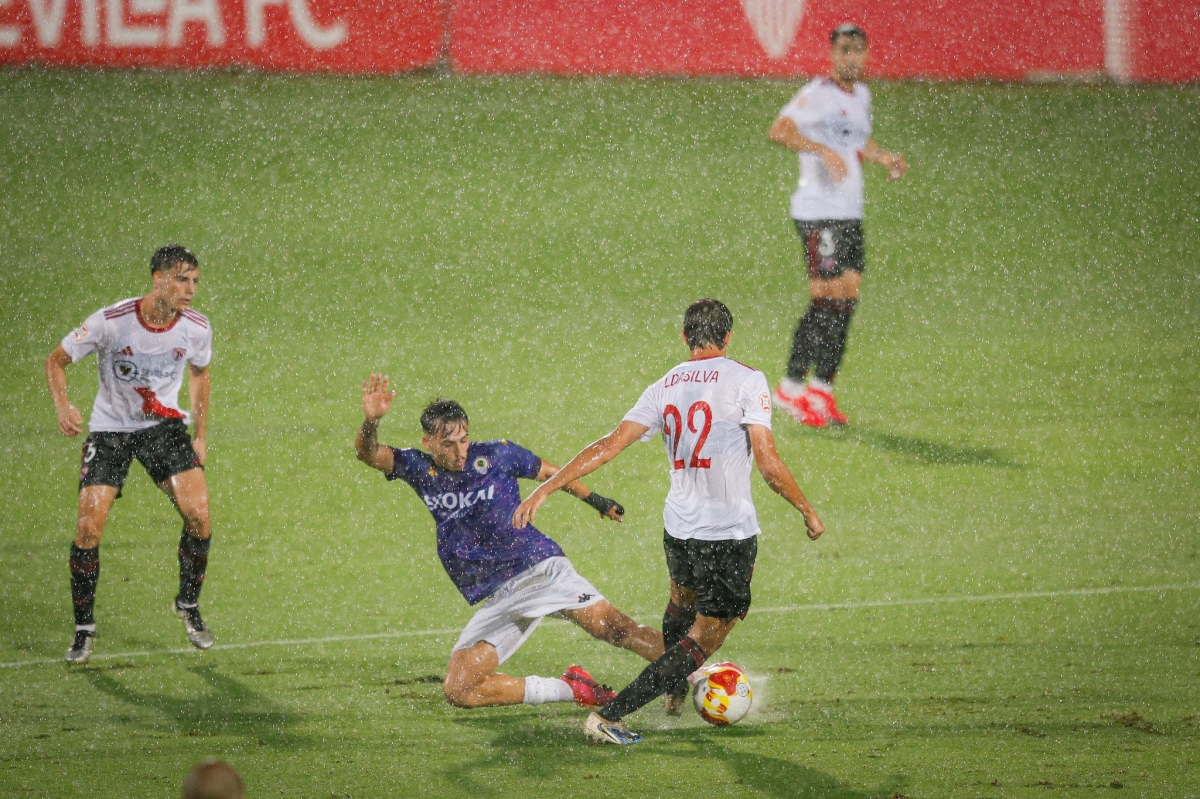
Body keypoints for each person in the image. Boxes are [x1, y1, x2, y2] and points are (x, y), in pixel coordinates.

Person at [513, 298, 824, 744]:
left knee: (681, 602)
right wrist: (808, 511)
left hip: (680, 529)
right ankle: (610, 716)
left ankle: (675, 693)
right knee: (704, 639)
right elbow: (768, 462)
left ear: (685, 337)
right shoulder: (746, 380)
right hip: (727, 534)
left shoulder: (665, 385)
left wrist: (547, 486)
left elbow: (609, 444)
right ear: (728, 336)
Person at [354, 377, 664, 710]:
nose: (460, 452)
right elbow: (367, 453)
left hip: (542, 569)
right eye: (448, 444)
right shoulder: (417, 468)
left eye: (464, 439)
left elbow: (551, 473)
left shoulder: (497, 454)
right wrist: (372, 421)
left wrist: (598, 501)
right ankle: (572, 689)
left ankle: (696, 670)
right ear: (427, 442)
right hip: (503, 594)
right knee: (460, 689)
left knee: (618, 630)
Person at [46, 245, 215, 664]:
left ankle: (188, 604)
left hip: (163, 429)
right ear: (157, 278)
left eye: (195, 280)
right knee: (89, 526)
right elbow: (57, 360)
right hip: (111, 431)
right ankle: (83, 629)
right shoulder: (111, 322)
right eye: (181, 279)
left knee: (200, 516)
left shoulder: (196, 328)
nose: (190, 289)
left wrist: (200, 433)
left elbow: (200, 372)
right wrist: (63, 404)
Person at [769, 23, 908, 427]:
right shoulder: (816, 95)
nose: (851, 57)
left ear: (866, 54)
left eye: (857, 50)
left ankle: (821, 390)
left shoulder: (861, 95)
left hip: (849, 212)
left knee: (847, 298)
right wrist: (820, 149)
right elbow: (778, 131)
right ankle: (790, 389)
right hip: (818, 212)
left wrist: (884, 157)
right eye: (844, 50)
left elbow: (858, 140)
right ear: (832, 54)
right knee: (826, 298)